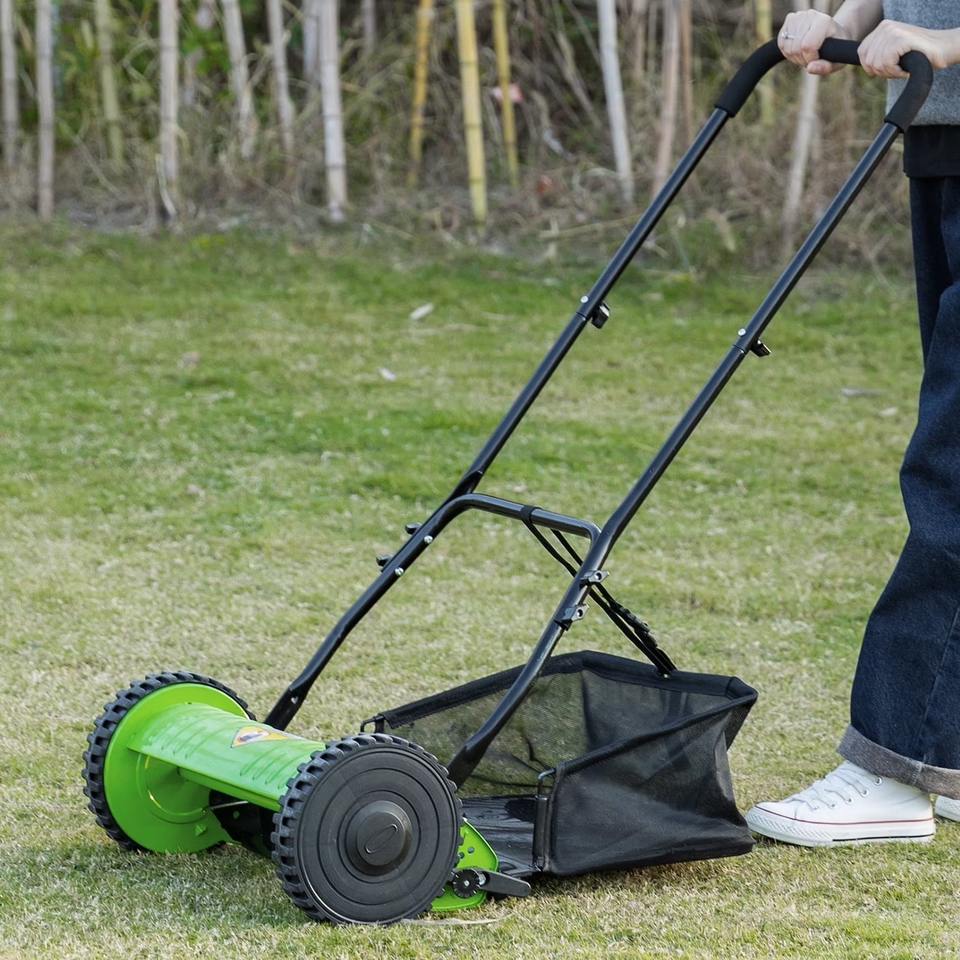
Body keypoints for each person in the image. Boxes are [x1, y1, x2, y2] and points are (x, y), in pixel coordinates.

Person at [744, 0, 960, 847]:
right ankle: (946, 749)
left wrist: (941, 42)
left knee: (953, 470)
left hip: (942, 86)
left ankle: (895, 765)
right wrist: (841, 17)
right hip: (940, 143)